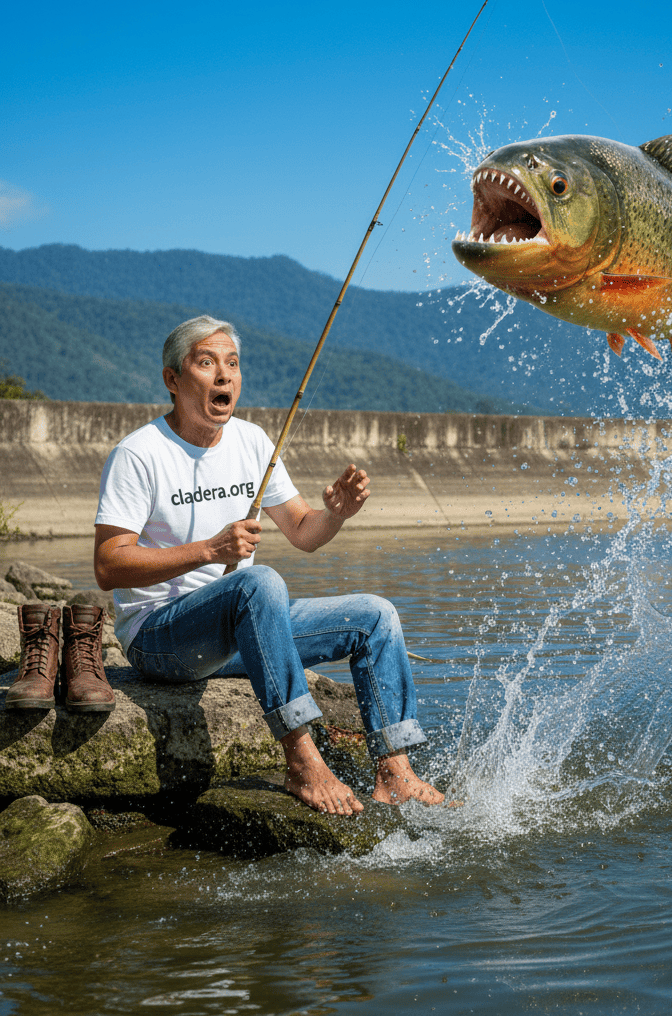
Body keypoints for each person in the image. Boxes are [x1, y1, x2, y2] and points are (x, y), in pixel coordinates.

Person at [93, 314, 444, 815]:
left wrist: (336, 515)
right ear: (172, 379)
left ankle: (396, 771)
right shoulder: (139, 454)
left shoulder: (252, 440)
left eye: (232, 364)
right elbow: (108, 565)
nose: (224, 376)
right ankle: (302, 759)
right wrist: (210, 551)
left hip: (235, 633)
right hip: (160, 638)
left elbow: (303, 532)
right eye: (206, 362)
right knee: (259, 582)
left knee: (375, 616)